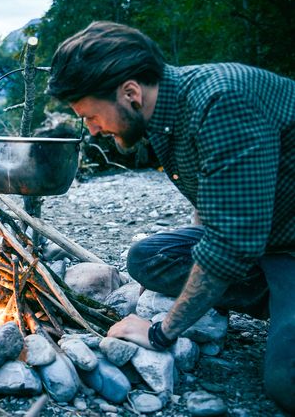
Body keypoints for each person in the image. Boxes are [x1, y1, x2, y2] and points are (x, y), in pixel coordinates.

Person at [47, 21, 294, 412]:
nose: (92, 131)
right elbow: (209, 198)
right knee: (149, 258)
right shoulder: (162, 114)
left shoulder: (222, 102)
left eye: (91, 116)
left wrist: (162, 332)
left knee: (287, 383)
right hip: (262, 237)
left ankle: (282, 301)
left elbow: (229, 244)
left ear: (129, 92)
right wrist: (204, 258)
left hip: (285, 245)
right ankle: (274, 300)